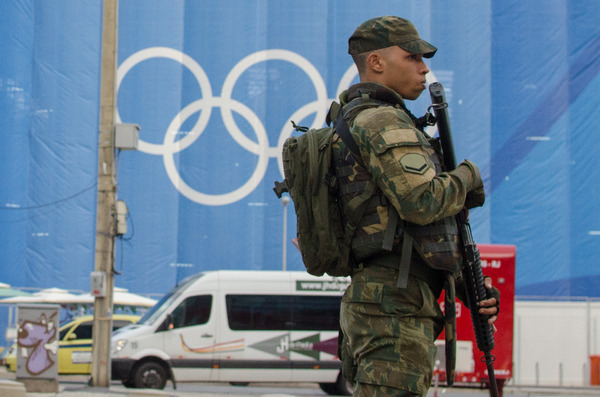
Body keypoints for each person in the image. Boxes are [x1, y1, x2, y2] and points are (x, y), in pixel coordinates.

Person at [335, 16, 500, 396]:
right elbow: (420, 202)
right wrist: (468, 176)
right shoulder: (380, 121)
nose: (424, 67)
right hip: (391, 309)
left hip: (395, 302)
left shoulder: (379, 119)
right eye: (412, 57)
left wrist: (469, 287)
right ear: (376, 62)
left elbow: (413, 234)